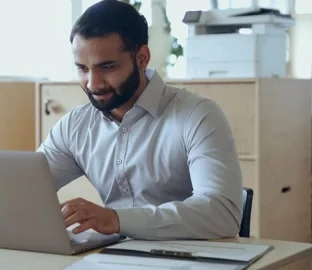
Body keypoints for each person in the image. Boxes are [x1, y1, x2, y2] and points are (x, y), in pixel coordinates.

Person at [37, 0, 243, 241]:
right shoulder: (75, 126)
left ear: (142, 57)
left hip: (189, 260)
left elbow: (222, 215)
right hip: (112, 259)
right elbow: (24, 187)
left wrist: (116, 219)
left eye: (107, 67)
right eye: (82, 69)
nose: (93, 84)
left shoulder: (197, 116)